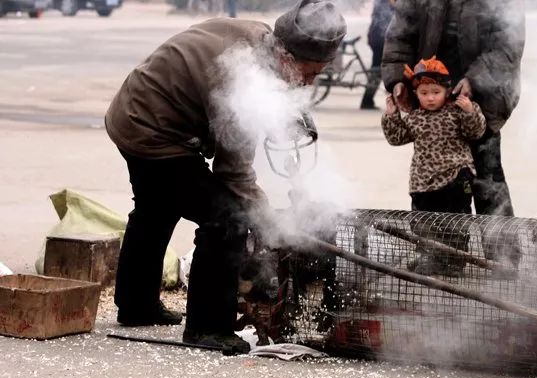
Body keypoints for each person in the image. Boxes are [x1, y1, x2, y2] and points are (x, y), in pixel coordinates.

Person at [104, 0, 346, 351]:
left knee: (156, 209)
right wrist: (267, 221)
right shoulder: (238, 79)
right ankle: (208, 327)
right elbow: (233, 173)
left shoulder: (263, 43)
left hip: (133, 110)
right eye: (309, 73)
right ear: (286, 58)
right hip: (151, 130)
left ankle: (136, 306)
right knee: (227, 218)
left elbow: (266, 107)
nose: (310, 82)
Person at [381, 0, 525, 216]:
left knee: (488, 182)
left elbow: (508, 47)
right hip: (432, 105)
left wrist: (474, 80)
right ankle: (439, 247)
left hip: (481, 103)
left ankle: (500, 247)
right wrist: (397, 80)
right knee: (435, 191)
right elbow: (400, 38)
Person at [381, 57, 486, 275]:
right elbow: (396, 138)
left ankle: (454, 263)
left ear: (447, 91)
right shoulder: (415, 118)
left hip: (455, 176)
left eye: (435, 92)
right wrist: (391, 115)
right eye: (424, 93)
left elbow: (475, 132)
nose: (430, 98)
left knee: (455, 223)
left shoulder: (456, 112)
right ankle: (430, 258)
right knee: (423, 223)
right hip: (423, 181)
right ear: (416, 94)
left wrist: (469, 111)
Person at [360, 0, 395, 110]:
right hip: (380, 41)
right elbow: (386, 21)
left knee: (378, 70)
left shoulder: (383, 3)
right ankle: (367, 100)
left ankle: (368, 100)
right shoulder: (384, 4)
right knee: (377, 70)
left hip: (378, 40)